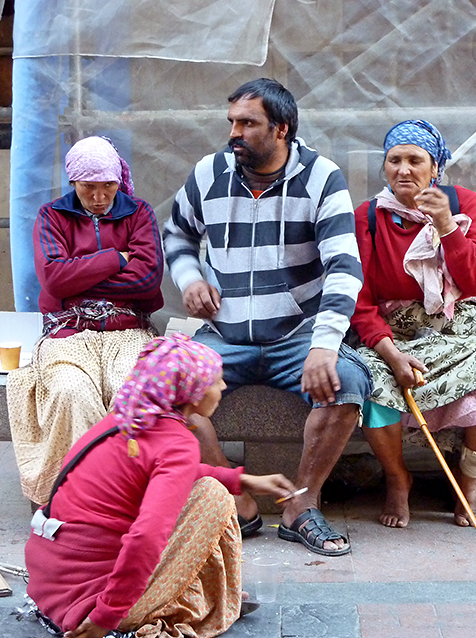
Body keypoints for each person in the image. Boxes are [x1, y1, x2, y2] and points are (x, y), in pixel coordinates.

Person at [163, 78, 372, 557]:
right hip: (225, 335)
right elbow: (175, 235)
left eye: (247, 123)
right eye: (231, 122)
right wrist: (191, 278)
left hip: (297, 337)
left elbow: (344, 266)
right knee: (166, 387)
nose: (234, 133)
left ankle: (302, 505)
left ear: (281, 129)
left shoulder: (322, 177)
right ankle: (233, 495)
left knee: (347, 381)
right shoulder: (208, 174)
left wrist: (324, 344)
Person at [25, 334, 298, 638]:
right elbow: (146, 537)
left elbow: (166, 473)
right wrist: (106, 617)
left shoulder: (124, 418)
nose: (222, 388)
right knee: (214, 497)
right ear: (192, 394)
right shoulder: (177, 443)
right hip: (89, 608)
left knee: (208, 487)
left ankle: (186, 593)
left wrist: (242, 480)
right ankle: (181, 600)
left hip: (50, 588)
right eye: (216, 381)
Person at [350, 119, 476, 528]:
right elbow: (359, 298)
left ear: (435, 168)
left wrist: (447, 226)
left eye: (415, 160)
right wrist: (389, 351)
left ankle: (467, 484)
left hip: (459, 328)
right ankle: (398, 479)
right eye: (394, 160)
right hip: (393, 332)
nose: (403, 170)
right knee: (373, 388)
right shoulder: (369, 216)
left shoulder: (463, 203)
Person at [7, 135, 164, 507]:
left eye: (107, 186)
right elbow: (53, 279)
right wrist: (116, 258)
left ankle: (125, 495)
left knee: (132, 391)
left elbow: (148, 279)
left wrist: (78, 274)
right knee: (69, 391)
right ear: (73, 183)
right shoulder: (53, 216)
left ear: (117, 180)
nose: (99, 196)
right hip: (69, 332)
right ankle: (76, 495)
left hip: (127, 330)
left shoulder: (138, 213)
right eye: (88, 187)